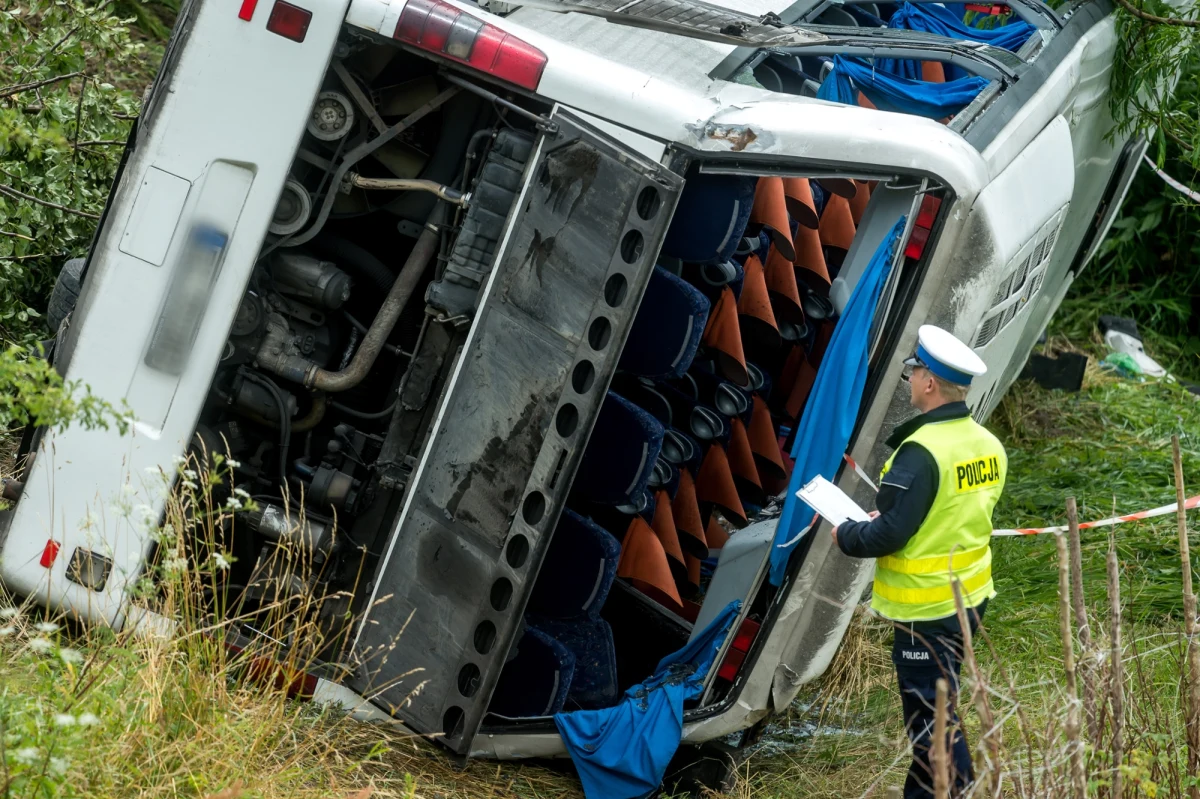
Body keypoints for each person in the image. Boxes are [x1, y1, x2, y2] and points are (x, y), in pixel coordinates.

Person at [831, 325, 1006, 799]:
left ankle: (961, 791)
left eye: (913, 371)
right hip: (969, 598)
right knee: (939, 711)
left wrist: (847, 534)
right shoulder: (987, 445)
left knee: (932, 724)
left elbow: (889, 534)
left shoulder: (921, 450)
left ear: (929, 382)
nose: (909, 378)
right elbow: (949, 514)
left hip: (926, 612)